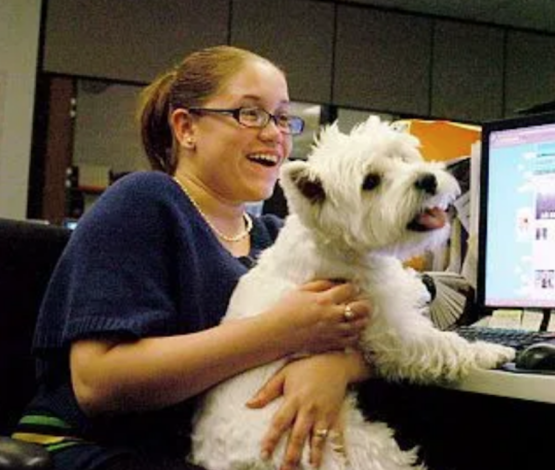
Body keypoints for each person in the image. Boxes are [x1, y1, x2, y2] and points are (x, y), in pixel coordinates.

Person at [13, 45, 373, 470]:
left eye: (281, 117)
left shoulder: (277, 237)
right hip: (90, 447)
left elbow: (365, 330)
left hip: (206, 454)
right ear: (186, 128)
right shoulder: (147, 202)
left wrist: (336, 368)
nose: (275, 133)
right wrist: (279, 332)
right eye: (250, 113)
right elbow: (97, 381)